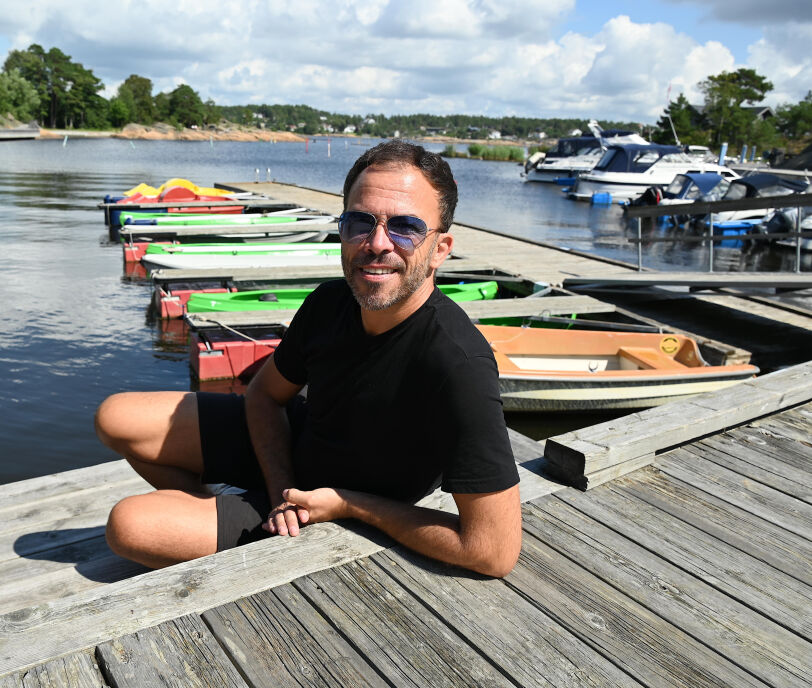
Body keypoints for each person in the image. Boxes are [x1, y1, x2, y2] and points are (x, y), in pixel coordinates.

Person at [95, 140, 522, 577]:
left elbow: (492, 550)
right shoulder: (330, 301)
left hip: (332, 505)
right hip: (295, 456)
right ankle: (227, 515)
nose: (377, 243)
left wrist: (350, 505)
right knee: (116, 417)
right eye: (360, 222)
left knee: (128, 526)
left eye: (405, 227)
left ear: (441, 249)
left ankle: (233, 523)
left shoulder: (458, 363)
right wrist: (280, 486)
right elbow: (264, 395)